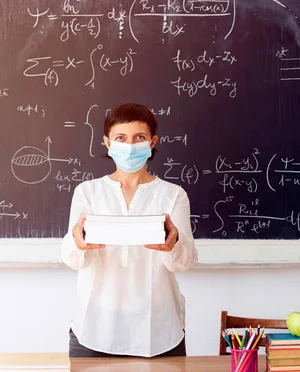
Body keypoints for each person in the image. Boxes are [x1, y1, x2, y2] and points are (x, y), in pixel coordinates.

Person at [61, 102, 198, 358]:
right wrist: (78, 243)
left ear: (153, 142)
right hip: (94, 328)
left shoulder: (173, 195)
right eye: (121, 138)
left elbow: (185, 262)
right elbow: (71, 259)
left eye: (140, 138)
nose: (130, 146)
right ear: (107, 142)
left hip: (157, 330)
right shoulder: (87, 193)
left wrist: (174, 244)